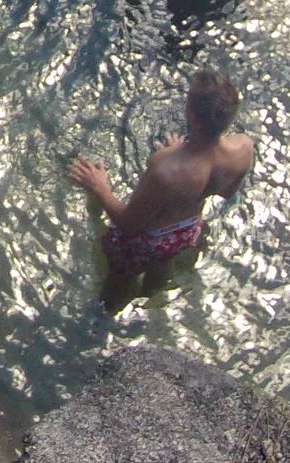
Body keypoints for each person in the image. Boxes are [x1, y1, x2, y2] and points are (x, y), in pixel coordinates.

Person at [68, 67, 254, 309]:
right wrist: (182, 151)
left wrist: (99, 186)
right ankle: (152, 296)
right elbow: (226, 192)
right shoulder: (244, 148)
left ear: (192, 115)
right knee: (157, 273)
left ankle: (102, 321)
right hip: (186, 232)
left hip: (146, 242)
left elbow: (127, 223)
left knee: (115, 291)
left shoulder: (164, 169)